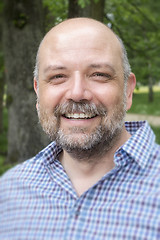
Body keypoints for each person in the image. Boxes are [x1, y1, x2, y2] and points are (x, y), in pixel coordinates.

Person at [0, 17, 160, 240]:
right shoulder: (9, 191)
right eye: (57, 77)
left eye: (99, 75)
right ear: (38, 92)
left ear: (128, 91)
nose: (77, 93)